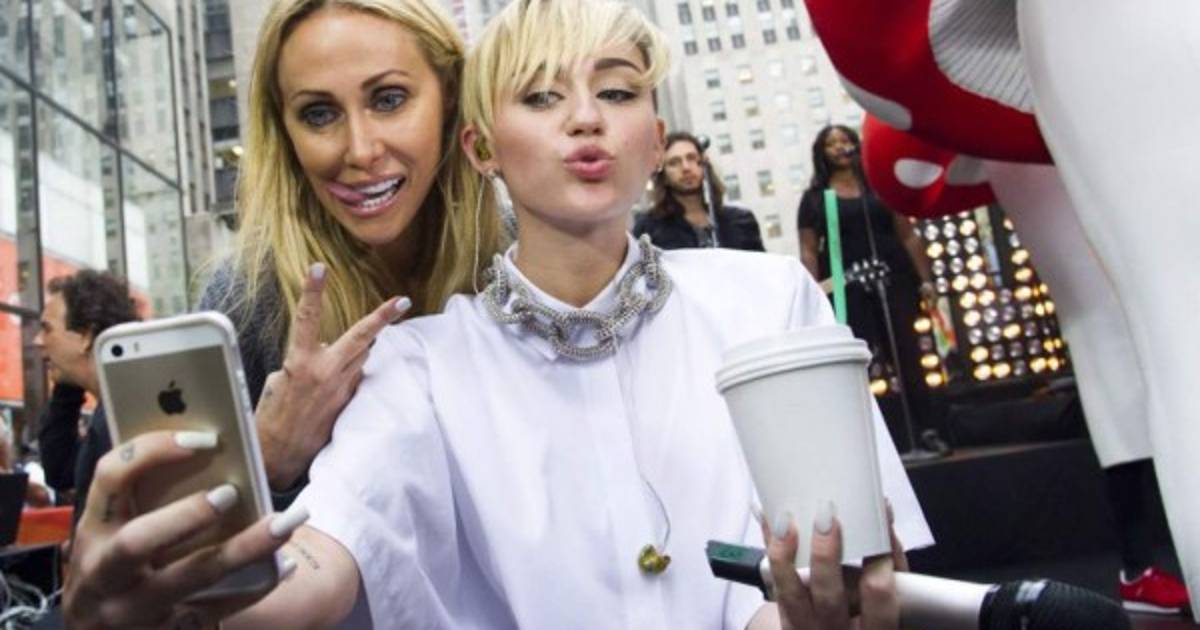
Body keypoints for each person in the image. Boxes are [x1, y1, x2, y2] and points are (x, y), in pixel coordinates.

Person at [62, 1, 932, 627]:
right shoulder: (404, 357)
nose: (584, 119)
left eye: (617, 92)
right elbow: (330, 550)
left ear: (657, 133)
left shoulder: (769, 301)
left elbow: (843, 559)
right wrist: (182, 585)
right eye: (541, 97)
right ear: (482, 144)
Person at [53, 0, 504, 523]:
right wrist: (268, 460)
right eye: (319, 114)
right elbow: (168, 547)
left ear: (450, 97)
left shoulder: (523, 254)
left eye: (389, 99)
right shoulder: (246, 299)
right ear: (285, 130)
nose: (359, 150)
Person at [796, 125, 940, 450]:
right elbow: (808, 249)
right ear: (821, 153)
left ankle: (926, 428)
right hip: (847, 288)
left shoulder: (880, 187)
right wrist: (814, 292)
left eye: (845, 140)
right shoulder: (815, 199)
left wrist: (926, 280)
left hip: (894, 280)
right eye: (831, 143)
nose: (840, 147)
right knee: (861, 362)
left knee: (907, 354)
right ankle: (877, 439)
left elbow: (907, 234)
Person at [29, 270, 139, 520]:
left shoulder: (124, 414)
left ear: (86, 336)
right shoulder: (109, 406)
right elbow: (60, 471)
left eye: (47, 329)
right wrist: (68, 383)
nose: (37, 341)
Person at [634, 131, 765, 251]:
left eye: (691, 158)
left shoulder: (741, 220)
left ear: (704, 164)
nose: (686, 168)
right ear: (663, 176)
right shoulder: (648, 229)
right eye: (674, 162)